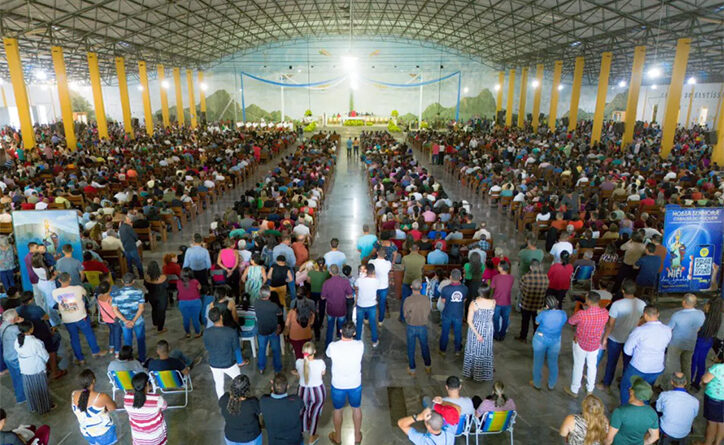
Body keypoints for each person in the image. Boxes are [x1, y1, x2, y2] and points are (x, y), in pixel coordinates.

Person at [599, 280, 646, 392]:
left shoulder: (617, 305)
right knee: (628, 362)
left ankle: (606, 383)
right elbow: (643, 319)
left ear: (623, 290)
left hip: (615, 338)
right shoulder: (642, 304)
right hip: (632, 338)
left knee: (611, 362)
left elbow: (611, 324)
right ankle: (624, 383)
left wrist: (605, 338)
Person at [620, 305, 672, 404]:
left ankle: (626, 409)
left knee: (626, 386)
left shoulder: (640, 330)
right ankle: (644, 408)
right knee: (646, 389)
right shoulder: (667, 329)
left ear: (645, 315)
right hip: (657, 367)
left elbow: (627, 350)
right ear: (658, 314)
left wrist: (636, 353)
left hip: (639, 366)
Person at [52, 272, 105, 364]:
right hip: (81, 317)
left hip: (68, 319)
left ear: (59, 280)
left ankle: (80, 359)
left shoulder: (55, 292)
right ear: (70, 279)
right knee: (89, 334)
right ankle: (96, 352)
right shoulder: (78, 288)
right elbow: (85, 294)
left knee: (74, 338)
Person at [326, 321, 364, 444]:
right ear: (354, 333)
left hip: (338, 384)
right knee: (356, 408)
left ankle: (337, 437)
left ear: (341, 331)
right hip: (355, 383)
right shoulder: (360, 345)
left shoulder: (333, 346)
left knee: (338, 410)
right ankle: (357, 436)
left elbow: (328, 355)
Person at [565, 292, 609, 398]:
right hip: (595, 344)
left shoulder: (582, 314)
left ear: (588, 301)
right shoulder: (605, 313)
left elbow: (571, 321)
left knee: (578, 366)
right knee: (592, 366)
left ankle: (574, 389)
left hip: (581, 343)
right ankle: (590, 389)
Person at [205, 307, 247, 398]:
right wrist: (239, 361)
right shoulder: (230, 332)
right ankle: (241, 398)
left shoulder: (206, 332)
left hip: (214, 363)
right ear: (221, 317)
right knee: (239, 381)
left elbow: (207, 347)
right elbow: (236, 348)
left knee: (219, 384)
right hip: (229, 363)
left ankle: (222, 402)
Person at [605, 376, 659, 445]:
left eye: (631, 387)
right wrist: (643, 443)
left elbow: (609, 439)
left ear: (632, 392)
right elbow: (655, 437)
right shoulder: (652, 413)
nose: (629, 388)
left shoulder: (619, 412)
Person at [665, 293, 705, 385]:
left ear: (683, 302)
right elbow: (699, 328)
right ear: (695, 303)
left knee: (671, 366)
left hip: (676, 344)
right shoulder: (700, 314)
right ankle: (686, 387)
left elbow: (669, 329)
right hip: (690, 343)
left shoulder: (677, 315)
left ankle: (668, 386)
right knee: (686, 366)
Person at [14, 320, 53, 414]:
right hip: (36, 368)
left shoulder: (17, 340)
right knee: (40, 388)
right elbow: (45, 356)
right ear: (31, 330)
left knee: (30, 388)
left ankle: (33, 407)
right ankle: (43, 407)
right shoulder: (35, 342)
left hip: (25, 368)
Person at [531, 295, 568, 390]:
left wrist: (541, 312)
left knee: (538, 362)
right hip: (555, 340)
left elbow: (536, 322)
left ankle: (537, 383)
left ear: (547, 306)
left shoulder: (543, 314)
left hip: (541, 339)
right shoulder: (563, 314)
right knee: (553, 362)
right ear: (557, 303)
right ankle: (551, 384)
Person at [71, 369, 118, 445]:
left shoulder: (74, 394)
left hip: (86, 432)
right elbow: (113, 408)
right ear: (93, 380)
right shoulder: (102, 397)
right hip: (104, 431)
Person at [294, 342, 326, 444]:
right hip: (318, 392)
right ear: (315, 352)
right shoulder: (320, 363)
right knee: (315, 413)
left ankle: (302, 431)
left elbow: (299, 374)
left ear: (303, 352)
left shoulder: (299, 362)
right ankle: (312, 436)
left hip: (303, 391)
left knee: (303, 410)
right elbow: (323, 373)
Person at [259, 373, 304, 445]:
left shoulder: (264, 401)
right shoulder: (295, 400)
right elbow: (302, 405)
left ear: (272, 388)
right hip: (294, 440)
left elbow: (268, 397)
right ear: (288, 387)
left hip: (275, 442)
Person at [111, 273, 147, 363]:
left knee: (127, 340)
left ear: (122, 281)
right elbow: (141, 308)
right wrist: (133, 321)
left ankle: (128, 358)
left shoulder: (116, 293)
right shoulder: (139, 292)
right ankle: (142, 359)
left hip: (125, 322)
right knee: (140, 339)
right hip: (138, 320)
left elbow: (115, 310)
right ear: (133, 281)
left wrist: (125, 321)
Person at [125, 372, 168, 445]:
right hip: (155, 435)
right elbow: (164, 406)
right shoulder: (157, 399)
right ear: (147, 384)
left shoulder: (127, 397)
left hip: (137, 435)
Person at [655, 372, 699, 444]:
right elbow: (694, 415)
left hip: (667, 431)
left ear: (672, 382)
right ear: (685, 382)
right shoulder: (695, 401)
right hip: (684, 433)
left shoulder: (664, 395)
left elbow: (658, 409)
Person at [463, 286, 495, 382]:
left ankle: (472, 372)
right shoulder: (493, 302)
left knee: (474, 350)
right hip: (488, 329)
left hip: (476, 329)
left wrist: (477, 334)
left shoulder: (474, 303)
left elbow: (469, 321)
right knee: (485, 351)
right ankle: (484, 373)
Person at [219, 374, 261, 445]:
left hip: (231, 437)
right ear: (247, 389)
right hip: (250, 437)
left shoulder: (224, 399)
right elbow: (259, 411)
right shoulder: (252, 403)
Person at [692, 297, 723, 390]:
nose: (705, 306)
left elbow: (696, 330)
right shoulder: (717, 317)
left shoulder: (703, 317)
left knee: (693, 362)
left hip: (700, 341)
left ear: (709, 306)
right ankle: (697, 383)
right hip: (709, 341)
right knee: (701, 362)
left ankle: (690, 381)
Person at [321, 264, 354, 348]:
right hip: (341, 309)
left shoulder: (326, 283)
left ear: (330, 272)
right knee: (341, 328)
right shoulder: (345, 282)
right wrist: (345, 296)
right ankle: (340, 342)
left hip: (330, 309)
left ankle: (328, 346)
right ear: (338, 271)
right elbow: (350, 295)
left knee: (330, 328)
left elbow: (322, 297)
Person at [403, 279, 432, 375]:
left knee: (411, 347)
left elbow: (405, 314)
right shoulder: (426, 299)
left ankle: (412, 369)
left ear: (411, 287)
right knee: (425, 346)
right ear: (420, 287)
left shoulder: (408, 300)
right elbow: (428, 312)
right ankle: (428, 365)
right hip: (422, 326)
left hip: (411, 326)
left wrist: (409, 319)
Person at [518, 259, 549, 342]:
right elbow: (546, 289)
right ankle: (536, 339)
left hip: (526, 304)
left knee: (525, 322)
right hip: (539, 305)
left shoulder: (525, 277)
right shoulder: (545, 277)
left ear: (531, 267)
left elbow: (521, 288)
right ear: (539, 267)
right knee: (537, 324)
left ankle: (523, 337)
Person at [438, 269, 467, 357]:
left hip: (447, 313)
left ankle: (443, 349)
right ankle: (457, 349)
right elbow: (464, 300)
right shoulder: (465, 288)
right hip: (458, 313)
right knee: (458, 332)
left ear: (450, 277)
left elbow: (443, 300)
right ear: (461, 278)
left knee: (445, 332)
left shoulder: (445, 289)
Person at [255, 286, 283, 373]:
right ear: (269, 294)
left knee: (262, 349)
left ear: (260, 294)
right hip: (273, 331)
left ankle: (261, 367)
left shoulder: (256, 303)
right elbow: (280, 313)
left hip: (262, 330)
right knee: (276, 350)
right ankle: (277, 368)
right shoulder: (273, 306)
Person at [0, 309, 25, 403]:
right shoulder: (14, 329)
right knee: (21, 377)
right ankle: (22, 397)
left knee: (15, 376)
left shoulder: (3, 326)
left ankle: (18, 394)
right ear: (14, 319)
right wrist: (22, 322)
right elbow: (24, 336)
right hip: (15, 356)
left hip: (7, 355)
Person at [355, 262, 380, 347]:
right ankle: (374, 340)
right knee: (372, 323)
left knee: (359, 323)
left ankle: (358, 340)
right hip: (371, 305)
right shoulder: (376, 281)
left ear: (366, 271)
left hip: (361, 304)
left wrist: (362, 276)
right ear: (373, 271)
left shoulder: (360, 280)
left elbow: (356, 285)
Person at [701, 359, 724, 445]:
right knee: (722, 423)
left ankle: (707, 443)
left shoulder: (718, 368)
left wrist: (701, 380)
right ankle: (717, 443)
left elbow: (705, 380)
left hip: (714, 399)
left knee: (712, 424)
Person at [400, 244, 425, 322]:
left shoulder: (405, 258)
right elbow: (422, 269)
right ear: (418, 248)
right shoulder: (422, 258)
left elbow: (402, 269)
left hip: (407, 281)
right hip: (417, 282)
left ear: (410, 249)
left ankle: (403, 317)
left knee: (405, 300)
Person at [96, 282, 122, 357]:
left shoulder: (99, 296)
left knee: (111, 332)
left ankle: (111, 348)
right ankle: (117, 351)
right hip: (114, 319)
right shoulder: (111, 299)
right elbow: (115, 310)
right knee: (117, 335)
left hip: (106, 319)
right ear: (109, 289)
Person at [490, 261, 514, 341]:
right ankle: (502, 334)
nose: (497, 267)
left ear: (501, 268)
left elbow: (492, 287)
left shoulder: (496, 277)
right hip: (507, 302)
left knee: (495, 319)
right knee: (505, 319)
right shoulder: (511, 277)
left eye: (498, 266)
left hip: (497, 301)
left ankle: (496, 334)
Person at [285, 295, 315, 359]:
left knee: (298, 353)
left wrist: (286, 335)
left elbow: (287, 325)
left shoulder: (291, 312)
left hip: (294, 337)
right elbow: (312, 323)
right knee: (306, 353)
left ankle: (299, 364)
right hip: (307, 335)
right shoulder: (310, 312)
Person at [176, 268, 203, 338]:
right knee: (195, 319)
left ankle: (188, 333)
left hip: (183, 303)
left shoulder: (178, 282)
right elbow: (200, 288)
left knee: (185, 319)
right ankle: (197, 333)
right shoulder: (195, 281)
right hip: (195, 302)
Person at [369, 248, 392, 325]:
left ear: (377, 253)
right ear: (385, 255)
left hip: (373, 285)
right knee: (382, 304)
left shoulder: (371, 262)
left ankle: (367, 318)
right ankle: (380, 320)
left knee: (370, 302)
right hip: (383, 286)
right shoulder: (388, 263)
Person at [145, 261, 169, 335]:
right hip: (162, 297)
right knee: (161, 312)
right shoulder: (163, 277)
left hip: (152, 296)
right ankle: (160, 328)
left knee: (154, 309)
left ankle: (155, 323)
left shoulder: (147, 278)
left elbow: (146, 286)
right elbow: (167, 286)